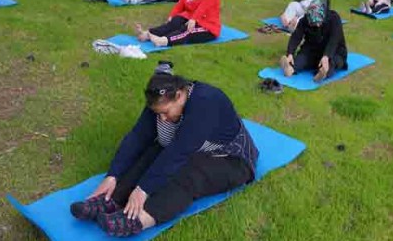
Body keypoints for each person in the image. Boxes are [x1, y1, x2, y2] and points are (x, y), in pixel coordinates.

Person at [69, 62, 259, 237]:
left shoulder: (206, 102)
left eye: (166, 112)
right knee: (154, 151)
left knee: (190, 170)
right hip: (194, 148)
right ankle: (112, 199)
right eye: (159, 114)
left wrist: (143, 189)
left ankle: (139, 218)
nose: (163, 119)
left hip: (233, 159)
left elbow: (179, 153)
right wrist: (113, 175)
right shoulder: (160, 99)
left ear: (179, 95)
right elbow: (138, 136)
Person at [279, 2, 348, 82]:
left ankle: (322, 73)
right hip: (313, 50)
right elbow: (296, 37)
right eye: (315, 24)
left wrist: (326, 56)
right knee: (300, 59)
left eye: (319, 23)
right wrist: (290, 53)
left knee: (331, 63)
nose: (318, 26)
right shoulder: (304, 20)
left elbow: (334, 40)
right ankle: (290, 69)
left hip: (335, 51)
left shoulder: (334, 18)